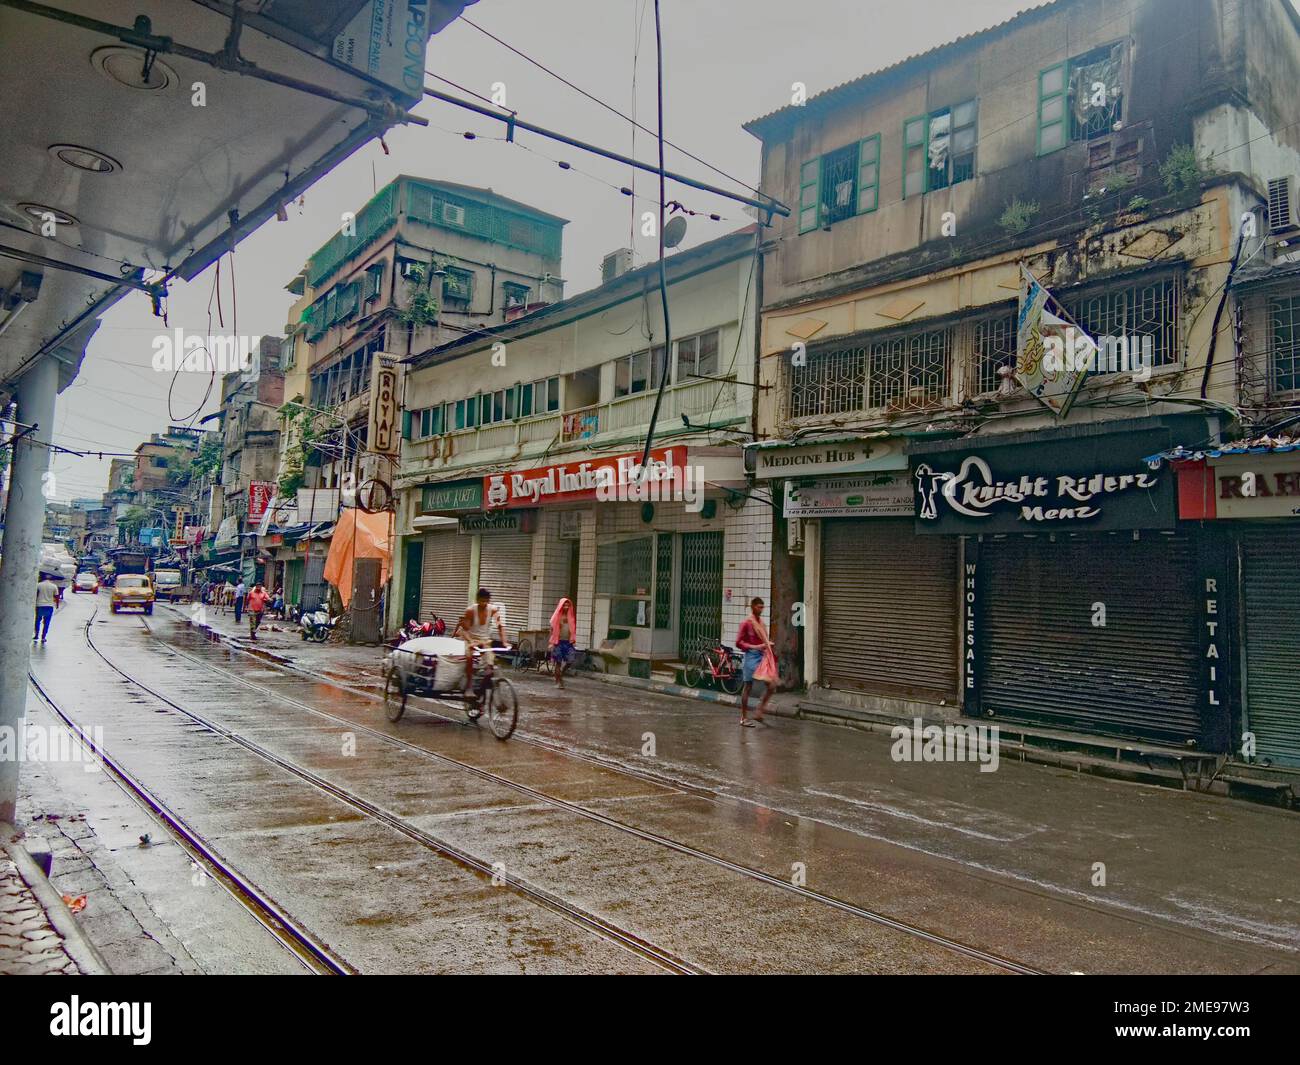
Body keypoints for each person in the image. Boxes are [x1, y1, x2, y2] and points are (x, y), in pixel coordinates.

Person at [454, 588, 506, 695]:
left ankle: (482, 690)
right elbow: (466, 630)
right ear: (477, 600)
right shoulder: (470, 611)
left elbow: (500, 626)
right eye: (482, 601)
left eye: (486, 601)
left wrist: (504, 642)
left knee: (490, 666)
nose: (484, 603)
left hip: (485, 641)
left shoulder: (493, 609)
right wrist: (471, 641)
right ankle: (469, 686)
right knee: (469, 658)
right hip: (471, 639)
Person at [736, 597, 776, 726]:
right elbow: (739, 642)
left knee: (771, 684)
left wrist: (767, 644)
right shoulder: (747, 623)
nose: (761, 609)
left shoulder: (762, 623)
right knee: (747, 686)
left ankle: (759, 711)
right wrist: (755, 647)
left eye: (762, 607)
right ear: (753, 607)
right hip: (751, 656)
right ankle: (743, 717)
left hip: (762, 656)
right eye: (759, 607)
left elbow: (763, 640)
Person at [548, 596, 577, 690]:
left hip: (568, 642)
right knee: (558, 663)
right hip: (558, 642)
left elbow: (572, 630)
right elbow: (552, 630)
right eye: (564, 605)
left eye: (568, 605)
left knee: (570, 660)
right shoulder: (556, 616)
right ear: (561, 606)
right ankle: (559, 682)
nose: (566, 607)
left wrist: (573, 640)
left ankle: (561, 674)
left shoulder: (571, 616)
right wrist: (551, 642)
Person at [33, 574, 58, 644]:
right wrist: (57, 604)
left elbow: (35, 594)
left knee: (37, 621)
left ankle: (36, 635)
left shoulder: (38, 585)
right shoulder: (54, 586)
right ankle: (43, 637)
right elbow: (56, 596)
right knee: (47, 622)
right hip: (49, 606)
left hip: (39, 605)